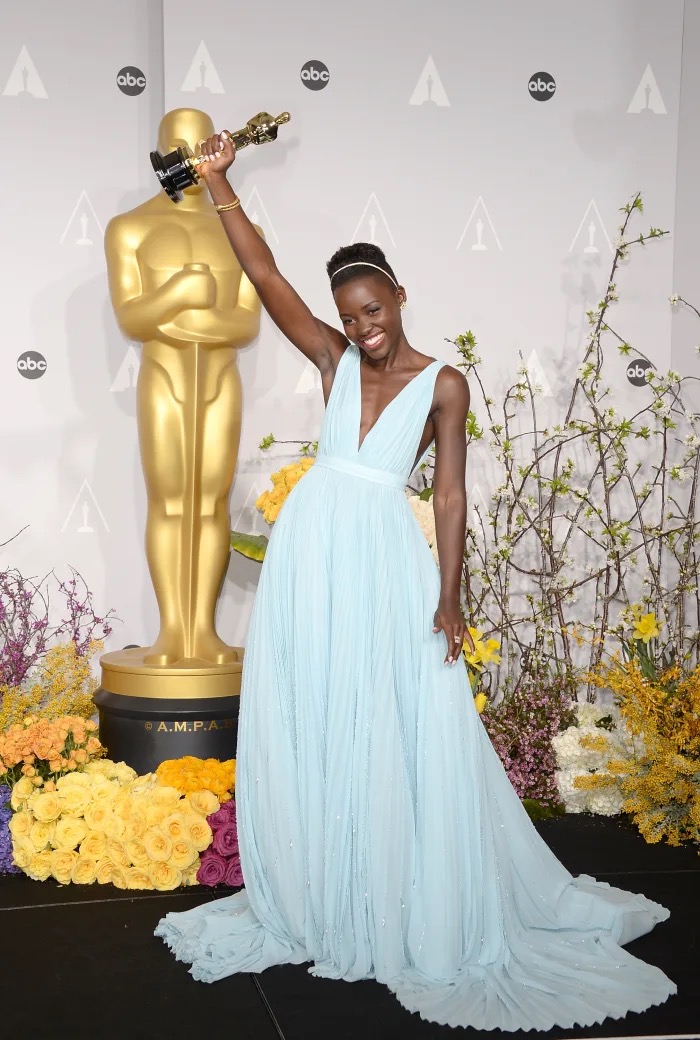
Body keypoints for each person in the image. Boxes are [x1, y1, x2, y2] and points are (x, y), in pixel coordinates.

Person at [155, 132, 676, 1031]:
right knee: (318, 707)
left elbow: (450, 495)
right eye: (350, 315)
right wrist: (219, 186)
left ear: (399, 291)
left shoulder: (445, 385)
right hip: (312, 556)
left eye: (373, 308)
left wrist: (450, 595)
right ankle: (325, 892)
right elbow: (268, 275)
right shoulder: (332, 361)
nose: (365, 326)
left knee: (395, 711)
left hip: (386, 560)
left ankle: (394, 892)